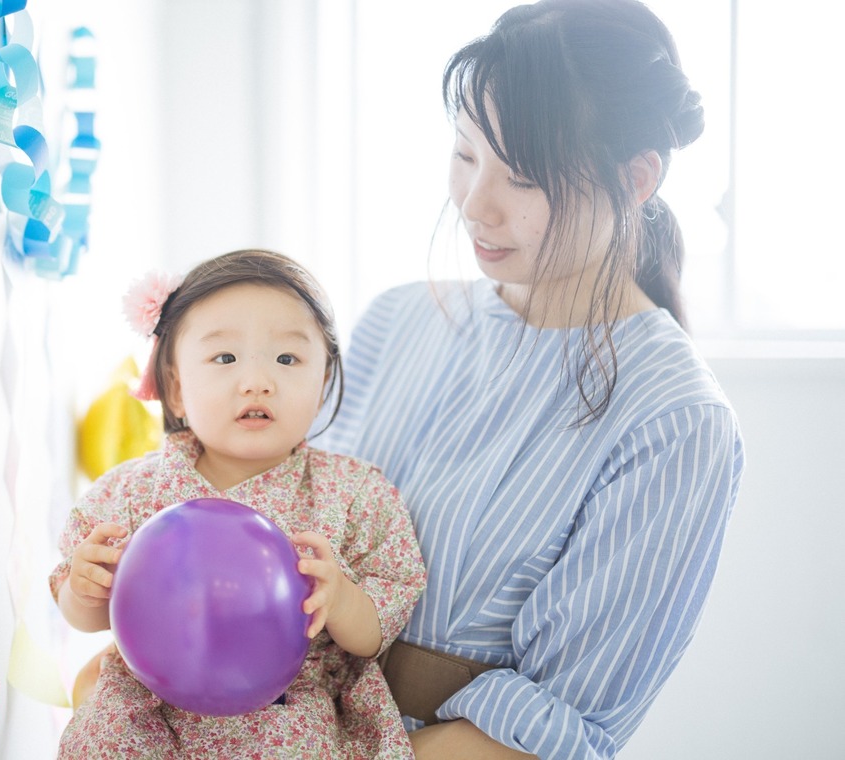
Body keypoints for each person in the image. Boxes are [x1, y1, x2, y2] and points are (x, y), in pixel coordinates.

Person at [314, 1, 745, 758]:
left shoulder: (674, 423)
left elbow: (553, 731)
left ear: (637, 178)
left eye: (522, 177)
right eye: (465, 154)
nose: (475, 204)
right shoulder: (394, 322)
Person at [50, 249, 427, 758]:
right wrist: (84, 588)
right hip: (145, 702)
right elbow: (90, 617)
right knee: (102, 742)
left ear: (322, 384)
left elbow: (378, 627)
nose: (257, 380)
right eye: (225, 358)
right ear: (178, 391)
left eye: (288, 359)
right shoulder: (132, 492)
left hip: (282, 712)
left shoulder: (354, 494)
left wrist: (340, 600)